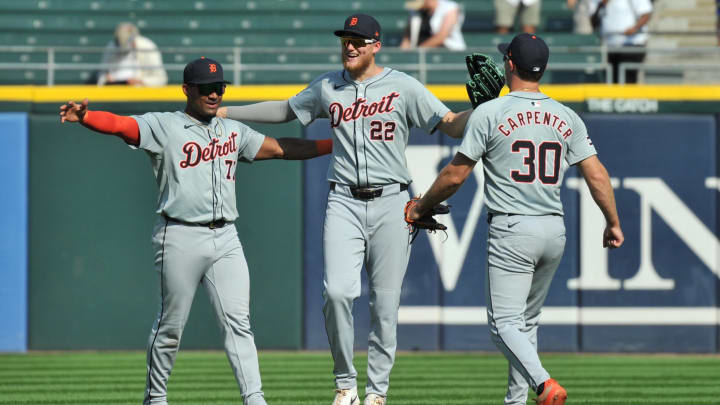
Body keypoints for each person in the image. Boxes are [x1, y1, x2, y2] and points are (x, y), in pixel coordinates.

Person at [217, 13, 471, 405]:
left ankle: (377, 393)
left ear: (375, 45)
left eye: (358, 40)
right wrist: (227, 112)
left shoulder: (403, 85)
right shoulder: (328, 85)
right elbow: (285, 110)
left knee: (384, 305)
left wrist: (484, 110)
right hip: (344, 200)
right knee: (336, 293)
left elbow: (452, 124)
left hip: (392, 202)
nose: (349, 46)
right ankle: (345, 384)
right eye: (345, 39)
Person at [60, 57, 332, 405]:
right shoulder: (165, 126)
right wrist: (86, 117)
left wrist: (331, 146)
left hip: (226, 238)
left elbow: (281, 148)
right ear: (187, 89)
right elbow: (121, 125)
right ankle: (156, 398)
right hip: (179, 235)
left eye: (219, 87)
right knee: (171, 327)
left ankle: (254, 398)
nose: (214, 94)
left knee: (238, 323)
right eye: (206, 88)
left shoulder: (231, 129)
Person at [406, 33, 624, 405]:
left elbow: (455, 175)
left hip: (513, 227)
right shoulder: (565, 115)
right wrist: (613, 222)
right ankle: (515, 401)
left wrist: (421, 205)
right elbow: (597, 174)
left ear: (509, 63)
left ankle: (544, 385)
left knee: (503, 325)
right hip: (553, 229)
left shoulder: (491, 112)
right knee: (525, 324)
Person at [590, 0, 653, 83]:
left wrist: (634, 28)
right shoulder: (598, 2)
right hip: (609, 47)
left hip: (631, 46)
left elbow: (646, 13)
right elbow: (593, 21)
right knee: (611, 82)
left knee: (627, 81)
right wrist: (602, 4)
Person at [97, 22, 168, 86]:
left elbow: (161, 79)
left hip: (140, 94)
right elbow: (101, 76)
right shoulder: (112, 46)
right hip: (114, 92)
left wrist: (141, 81)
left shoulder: (147, 47)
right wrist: (106, 79)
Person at [400, 0, 467, 51]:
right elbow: (407, 39)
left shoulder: (449, 8)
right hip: (424, 56)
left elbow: (441, 37)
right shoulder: (416, 12)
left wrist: (418, 52)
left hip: (450, 53)